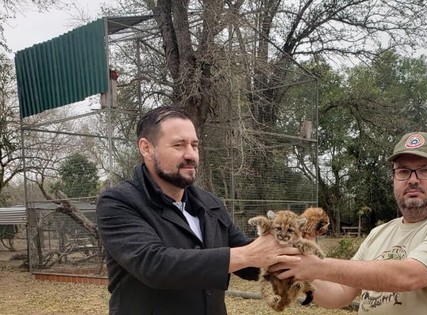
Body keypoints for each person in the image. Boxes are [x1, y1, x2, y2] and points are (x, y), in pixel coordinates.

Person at [96, 106, 299, 315]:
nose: (191, 155)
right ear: (146, 148)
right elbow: (155, 265)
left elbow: (248, 260)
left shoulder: (209, 203)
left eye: (194, 145)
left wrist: (289, 253)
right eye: (178, 145)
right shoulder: (119, 202)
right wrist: (248, 254)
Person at [271, 132, 427, 314]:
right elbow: (340, 294)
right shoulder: (379, 233)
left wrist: (317, 266)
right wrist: (295, 267)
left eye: (425, 169)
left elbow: (407, 276)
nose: (412, 179)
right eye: (402, 171)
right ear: (394, 179)